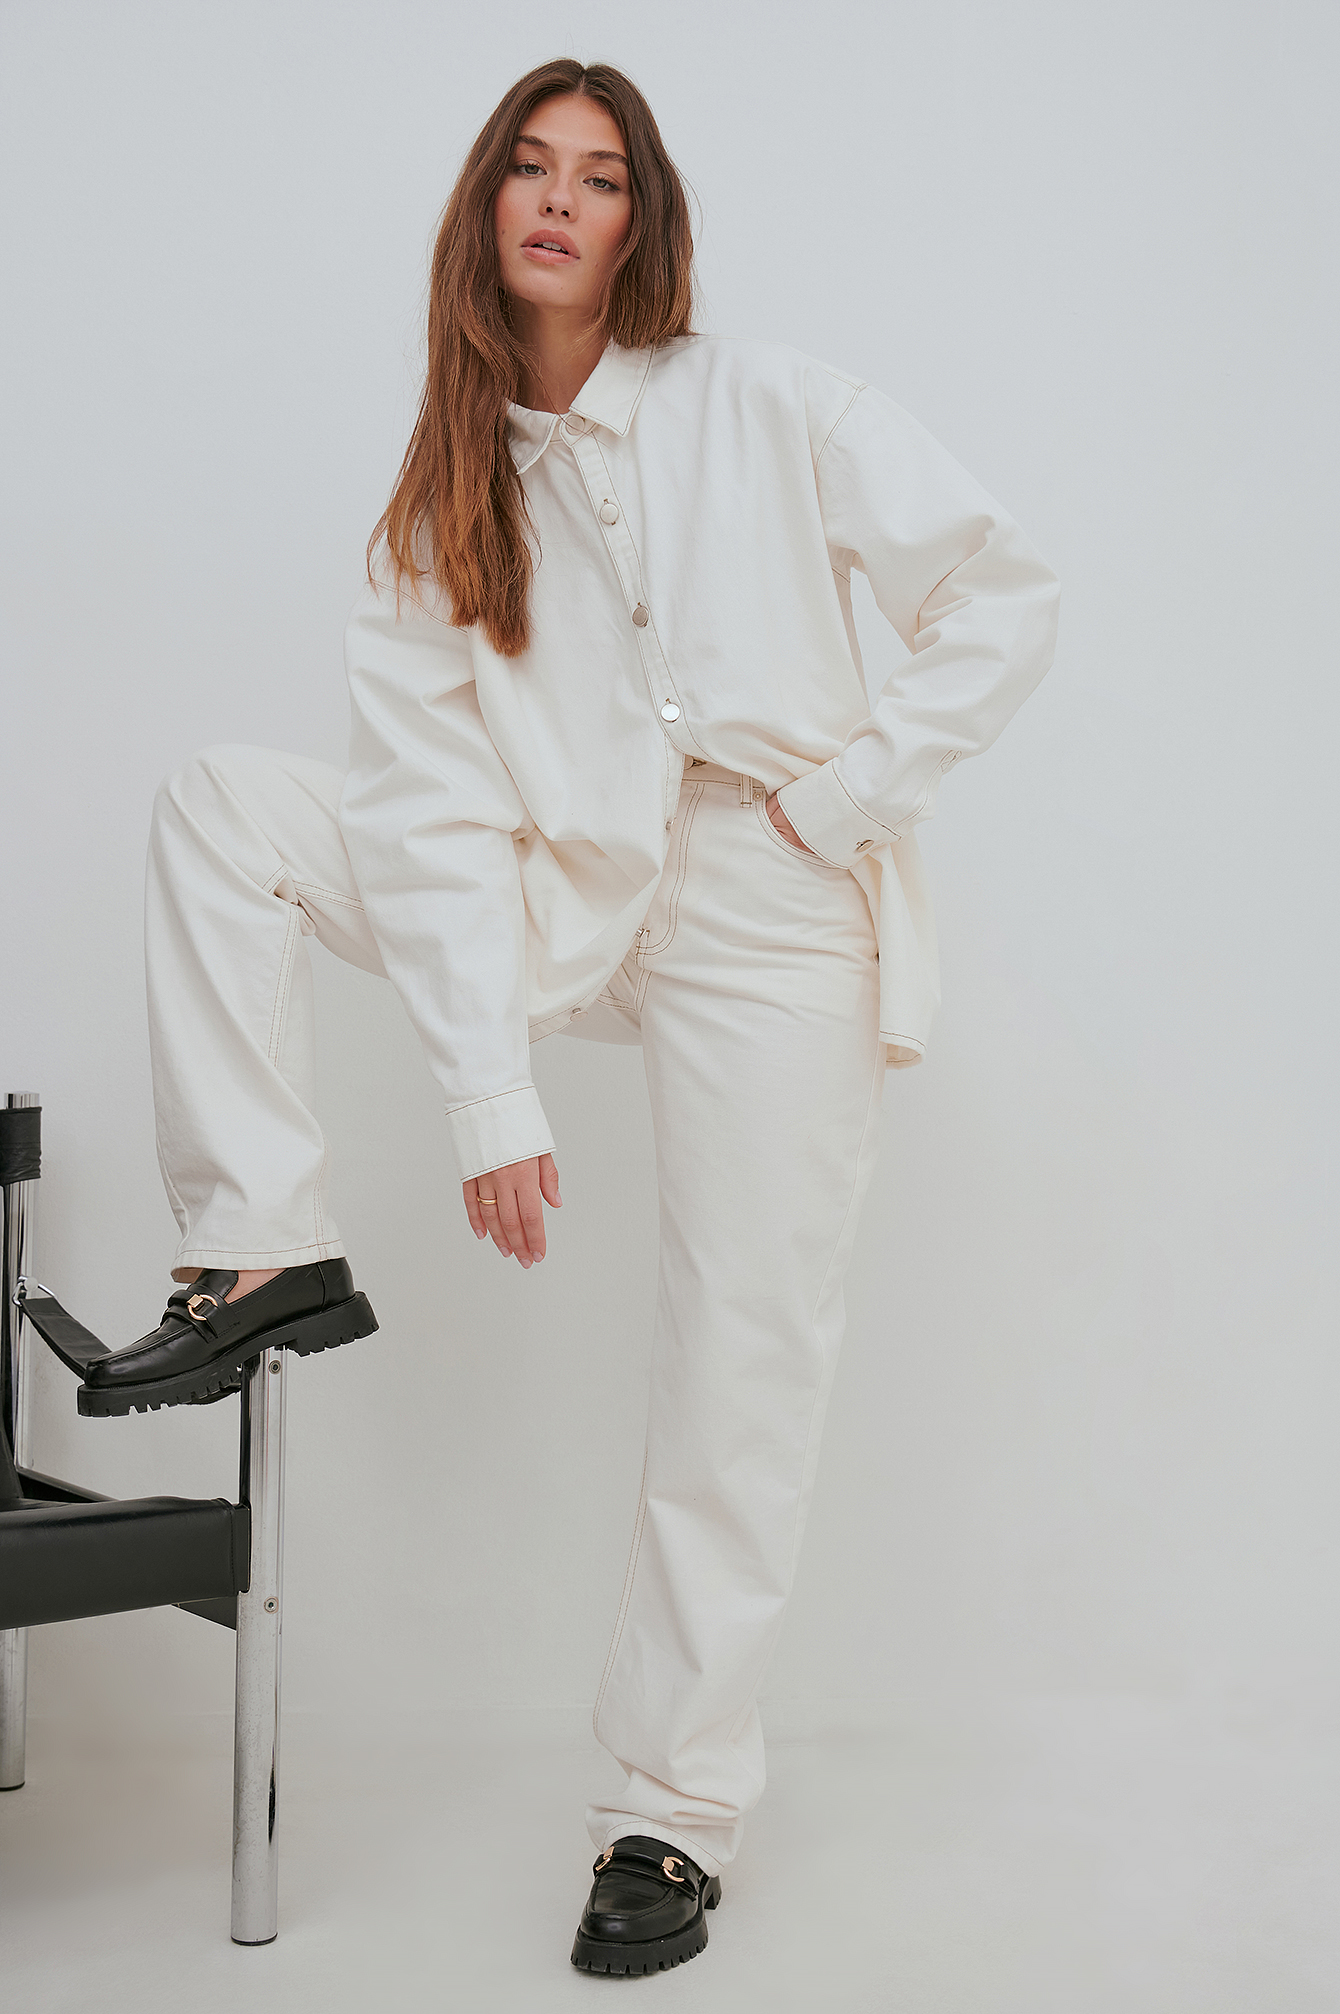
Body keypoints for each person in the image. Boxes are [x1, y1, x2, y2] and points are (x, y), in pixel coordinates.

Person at [86, 58, 1060, 1975]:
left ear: (639, 221)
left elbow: (1003, 594)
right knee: (228, 807)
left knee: (743, 1356)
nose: (558, 198)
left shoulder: (768, 403)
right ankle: (259, 1242)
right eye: (528, 168)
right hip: (564, 892)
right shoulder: (438, 502)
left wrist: (842, 802)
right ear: (486, 209)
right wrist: (488, 1095)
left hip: (775, 902)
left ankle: (666, 1814)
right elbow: (425, 822)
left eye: (598, 176)